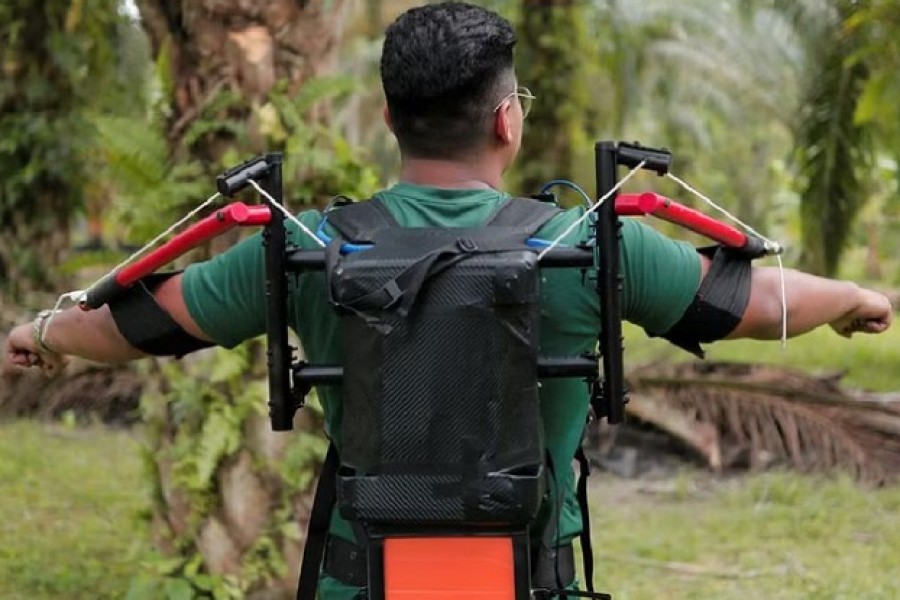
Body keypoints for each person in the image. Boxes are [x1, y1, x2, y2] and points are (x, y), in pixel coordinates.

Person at [4, 2, 893, 598]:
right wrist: (855, 296)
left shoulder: (311, 246)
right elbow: (748, 301)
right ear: (507, 120)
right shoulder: (584, 244)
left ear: (391, 118)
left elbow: (139, 322)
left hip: (366, 579)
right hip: (531, 578)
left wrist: (40, 331)